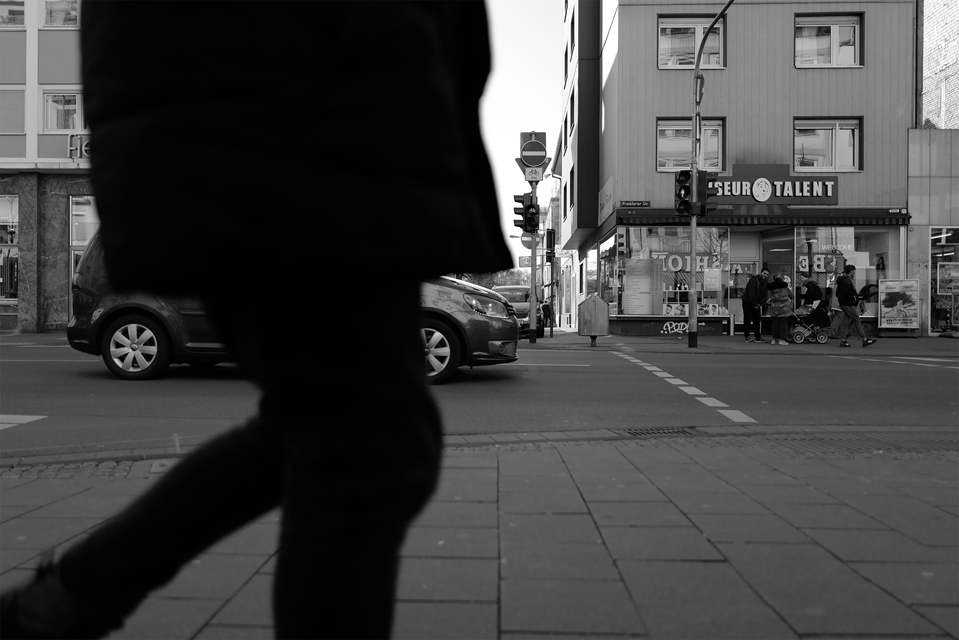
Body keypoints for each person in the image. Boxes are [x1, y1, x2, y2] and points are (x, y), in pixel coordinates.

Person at [0, 3, 512, 639]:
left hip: (314, 131)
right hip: (292, 134)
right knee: (369, 444)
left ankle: (60, 603)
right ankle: (62, 602)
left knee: (334, 430)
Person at [836, 265, 877, 348]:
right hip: (849, 305)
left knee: (845, 322)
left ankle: (843, 341)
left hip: (844, 304)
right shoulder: (847, 281)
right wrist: (854, 298)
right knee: (857, 321)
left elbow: (837, 294)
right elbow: (846, 293)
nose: (855, 272)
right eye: (854, 271)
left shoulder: (842, 280)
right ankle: (864, 339)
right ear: (851, 271)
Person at [741, 268, 769, 342]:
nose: (765, 275)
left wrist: (759, 304)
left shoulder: (765, 283)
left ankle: (758, 337)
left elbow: (764, 296)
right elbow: (751, 292)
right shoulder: (754, 280)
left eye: (767, 274)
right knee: (747, 319)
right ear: (761, 272)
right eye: (764, 273)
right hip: (748, 302)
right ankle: (747, 336)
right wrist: (755, 304)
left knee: (757, 320)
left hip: (756, 304)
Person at [766, 275, 794, 345]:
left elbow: (772, 297)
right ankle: (782, 339)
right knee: (783, 324)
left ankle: (774, 339)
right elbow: (792, 295)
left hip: (775, 307)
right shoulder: (785, 287)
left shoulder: (772, 288)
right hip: (784, 307)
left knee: (775, 323)